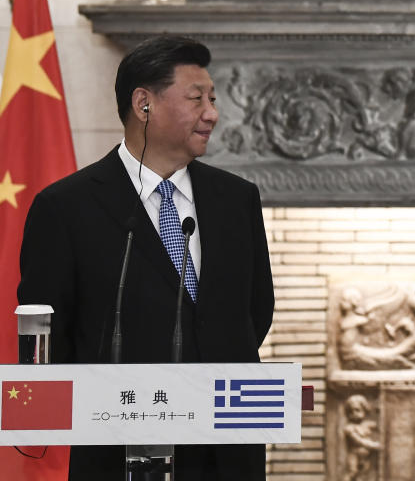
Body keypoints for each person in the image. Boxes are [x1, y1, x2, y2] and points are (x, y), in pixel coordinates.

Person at [18, 35, 275, 480]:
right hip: (116, 456)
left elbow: (255, 312)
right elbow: (50, 333)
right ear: (144, 105)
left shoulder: (236, 199)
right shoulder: (66, 207)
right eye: (196, 99)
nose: (212, 113)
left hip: (228, 453)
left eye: (212, 99)